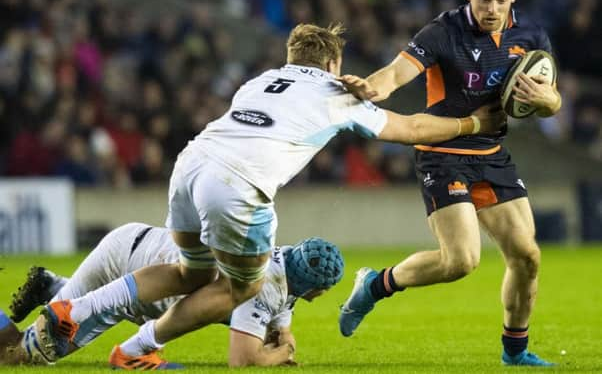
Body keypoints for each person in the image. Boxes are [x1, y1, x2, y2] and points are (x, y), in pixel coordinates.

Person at [40, 23, 504, 366]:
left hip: (192, 163)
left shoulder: (259, 81)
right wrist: (474, 124)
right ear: (332, 64)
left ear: (291, 56)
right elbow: (411, 128)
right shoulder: (335, 90)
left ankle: (73, 309)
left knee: (190, 271)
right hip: (237, 184)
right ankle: (137, 350)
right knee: (243, 286)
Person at [337, 0, 561, 367]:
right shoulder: (443, 32)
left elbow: (549, 99)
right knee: (461, 262)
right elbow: (394, 74)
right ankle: (374, 285)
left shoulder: (530, 35)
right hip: (443, 154)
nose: (491, 9)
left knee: (527, 256)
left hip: (492, 153)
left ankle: (515, 351)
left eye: (500, 1)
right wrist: (370, 87)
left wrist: (551, 102)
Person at [0, 222, 344, 367]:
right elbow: (243, 358)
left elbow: (280, 319)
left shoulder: (282, 260)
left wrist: (281, 335)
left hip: (136, 243)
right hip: (130, 274)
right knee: (22, 354)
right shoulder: (266, 287)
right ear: (316, 288)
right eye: (325, 290)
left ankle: (54, 286)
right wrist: (278, 354)